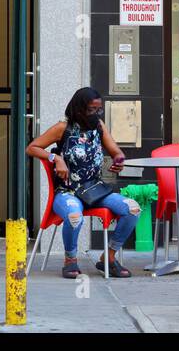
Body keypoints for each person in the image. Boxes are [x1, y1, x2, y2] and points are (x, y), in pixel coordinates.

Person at [27, 87, 142, 278]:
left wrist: (119, 161)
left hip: (95, 190)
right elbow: (32, 148)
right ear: (79, 109)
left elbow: (117, 152)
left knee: (133, 209)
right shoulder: (62, 128)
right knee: (74, 217)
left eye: (99, 110)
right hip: (67, 192)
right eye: (91, 110)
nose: (96, 114)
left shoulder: (99, 126)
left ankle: (109, 257)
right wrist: (55, 158)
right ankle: (70, 260)